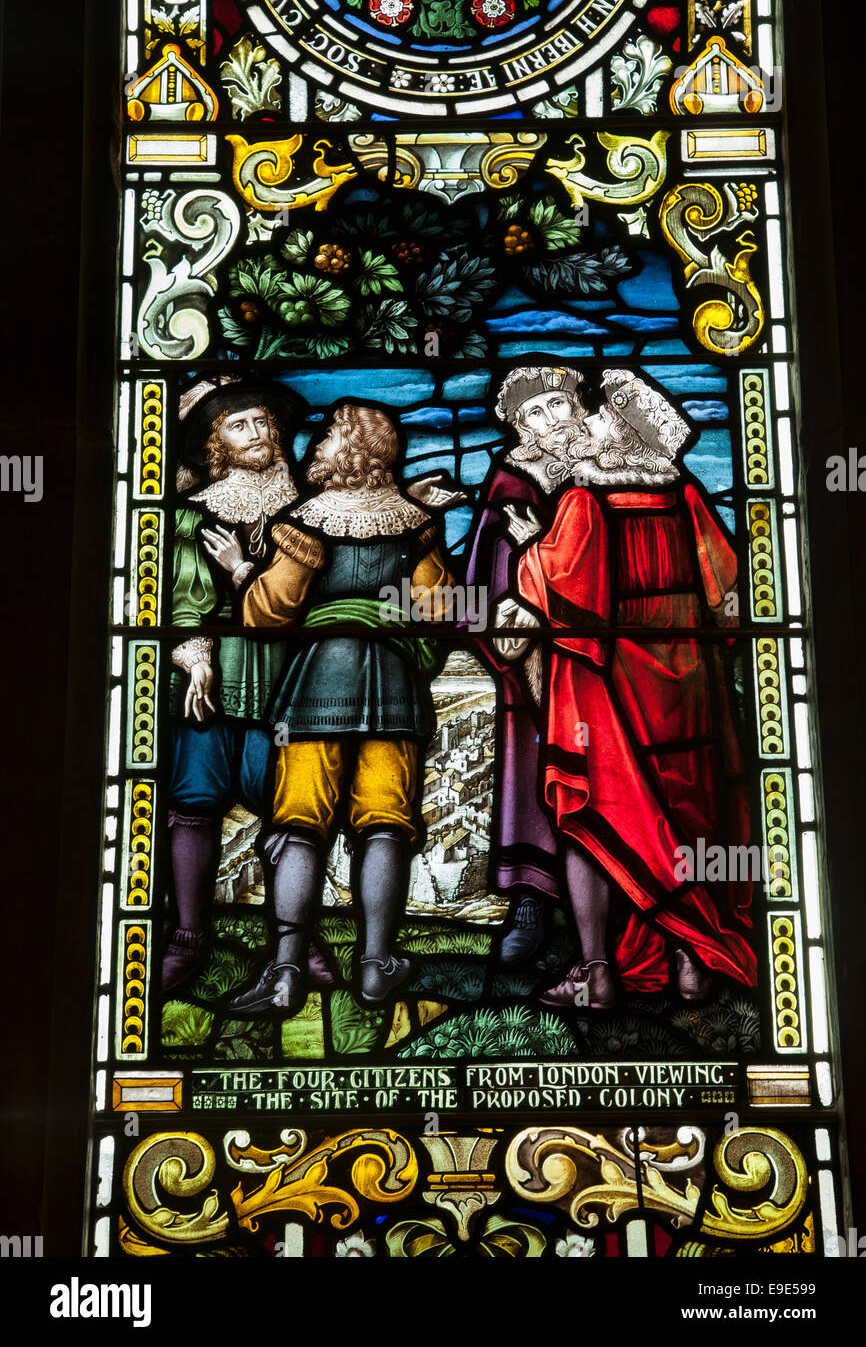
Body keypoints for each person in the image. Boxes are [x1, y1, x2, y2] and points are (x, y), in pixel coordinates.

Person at [506, 369, 757, 1008]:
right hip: (686, 676)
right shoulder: (683, 494)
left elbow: (562, 581)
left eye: (589, 415)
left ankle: (597, 973)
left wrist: (528, 548)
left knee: (594, 814)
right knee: (682, 815)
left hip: (608, 679)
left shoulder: (586, 499)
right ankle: (690, 961)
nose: (579, 424)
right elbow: (725, 589)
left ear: (614, 431)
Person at [221, 402, 456, 1016]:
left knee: (299, 824)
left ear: (339, 449)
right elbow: (440, 611)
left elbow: (265, 612)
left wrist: (245, 571)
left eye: (325, 435)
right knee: (385, 822)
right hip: (395, 688)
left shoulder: (307, 524)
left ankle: (285, 971)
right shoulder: (416, 526)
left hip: (317, 683)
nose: (317, 444)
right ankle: (377, 966)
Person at [162, 377, 333, 993]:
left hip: (292, 678)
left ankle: (295, 935)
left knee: (289, 808)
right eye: (239, 425)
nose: (256, 434)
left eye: (263, 422)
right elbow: (181, 593)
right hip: (216, 675)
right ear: (216, 441)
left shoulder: (314, 504)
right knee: (193, 804)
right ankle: (188, 933)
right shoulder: (195, 513)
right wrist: (196, 655)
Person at [463, 365, 592, 966]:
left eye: (558, 405)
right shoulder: (513, 481)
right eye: (533, 414)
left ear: (577, 407)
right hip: (537, 652)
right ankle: (532, 901)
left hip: (601, 652)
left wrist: (548, 546)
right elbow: (485, 577)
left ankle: (625, 907)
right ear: (518, 427)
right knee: (534, 770)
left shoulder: (612, 468)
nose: (550, 420)